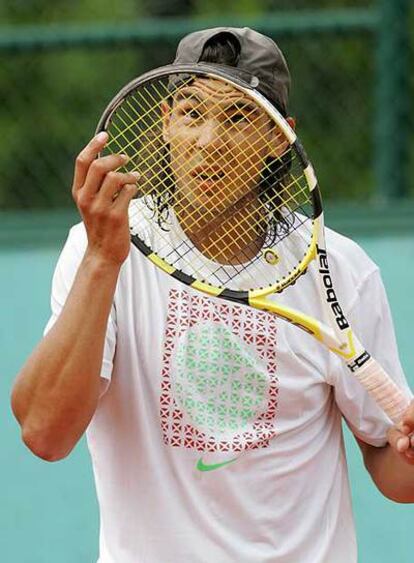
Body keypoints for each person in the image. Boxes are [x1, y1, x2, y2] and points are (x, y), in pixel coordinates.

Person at [11, 27, 414, 563]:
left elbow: (391, 467)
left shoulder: (340, 270)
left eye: (239, 117)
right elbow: (44, 433)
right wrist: (101, 262)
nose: (208, 142)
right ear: (165, 124)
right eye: (191, 112)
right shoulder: (100, 248)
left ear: (279, 137)